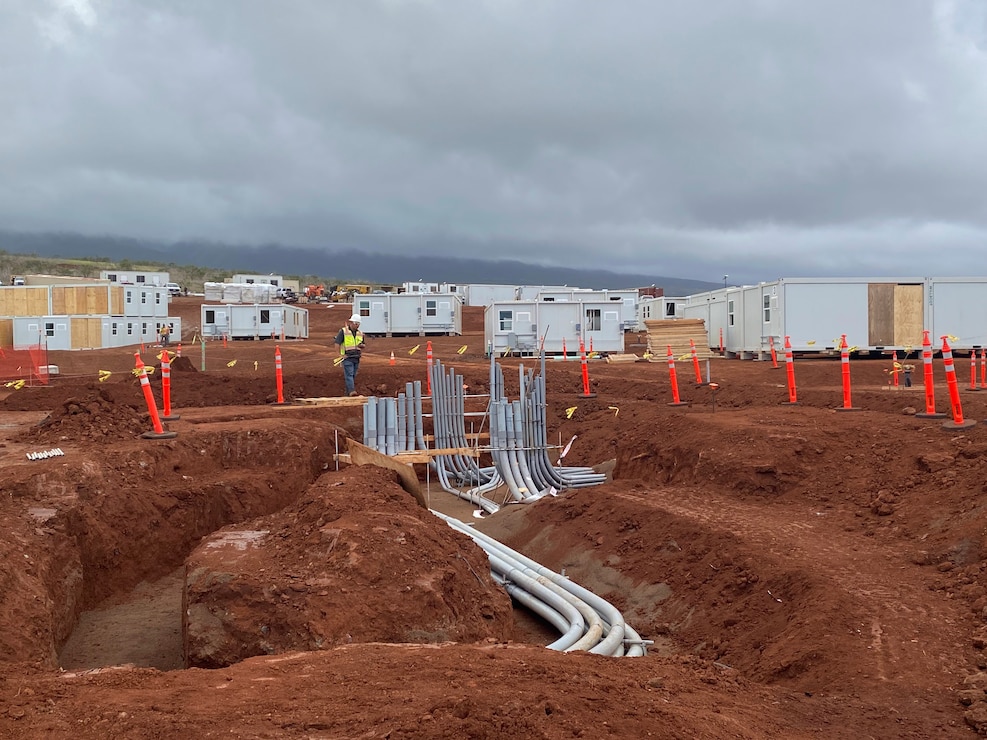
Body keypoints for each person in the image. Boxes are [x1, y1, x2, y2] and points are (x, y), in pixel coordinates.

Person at [334, 313, 365, 396]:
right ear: (351, 323)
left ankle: (347, 393)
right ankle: (351, 391)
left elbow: (363, 344)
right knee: (349, 375)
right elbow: (337, 343)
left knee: (352, 376)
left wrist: (362, 346)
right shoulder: (343, 332)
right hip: (347, 357)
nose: (357, 326)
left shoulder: (360, 333)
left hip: (356, 357)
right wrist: (340, 355)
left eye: (358, 324)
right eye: (356, 324)